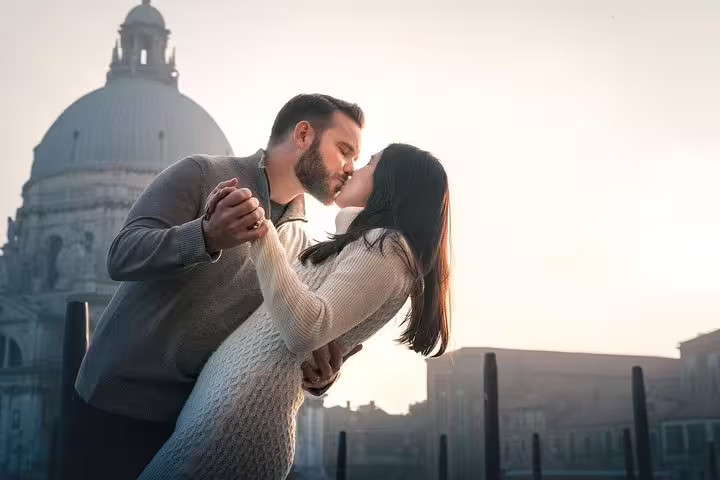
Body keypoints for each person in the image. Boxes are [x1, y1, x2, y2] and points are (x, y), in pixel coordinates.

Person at [73, 94, 366, 479]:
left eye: (357, 160)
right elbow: (122, 255)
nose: (350, 169)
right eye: (344, 150)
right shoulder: (200, 173)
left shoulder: (303, 243)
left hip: (199, 425)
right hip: (115, 408)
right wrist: (206, 236)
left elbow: (275, 335)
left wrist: (319, 373)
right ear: (304, 134)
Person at [139, 143, 452, 479]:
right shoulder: (365, 244)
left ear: (392, 182)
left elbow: (306, 329)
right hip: (226, 410)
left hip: (239, 419)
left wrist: (261, 233)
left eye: (370, 163)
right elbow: (297, 329)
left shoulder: (386, 248)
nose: (354, 169)